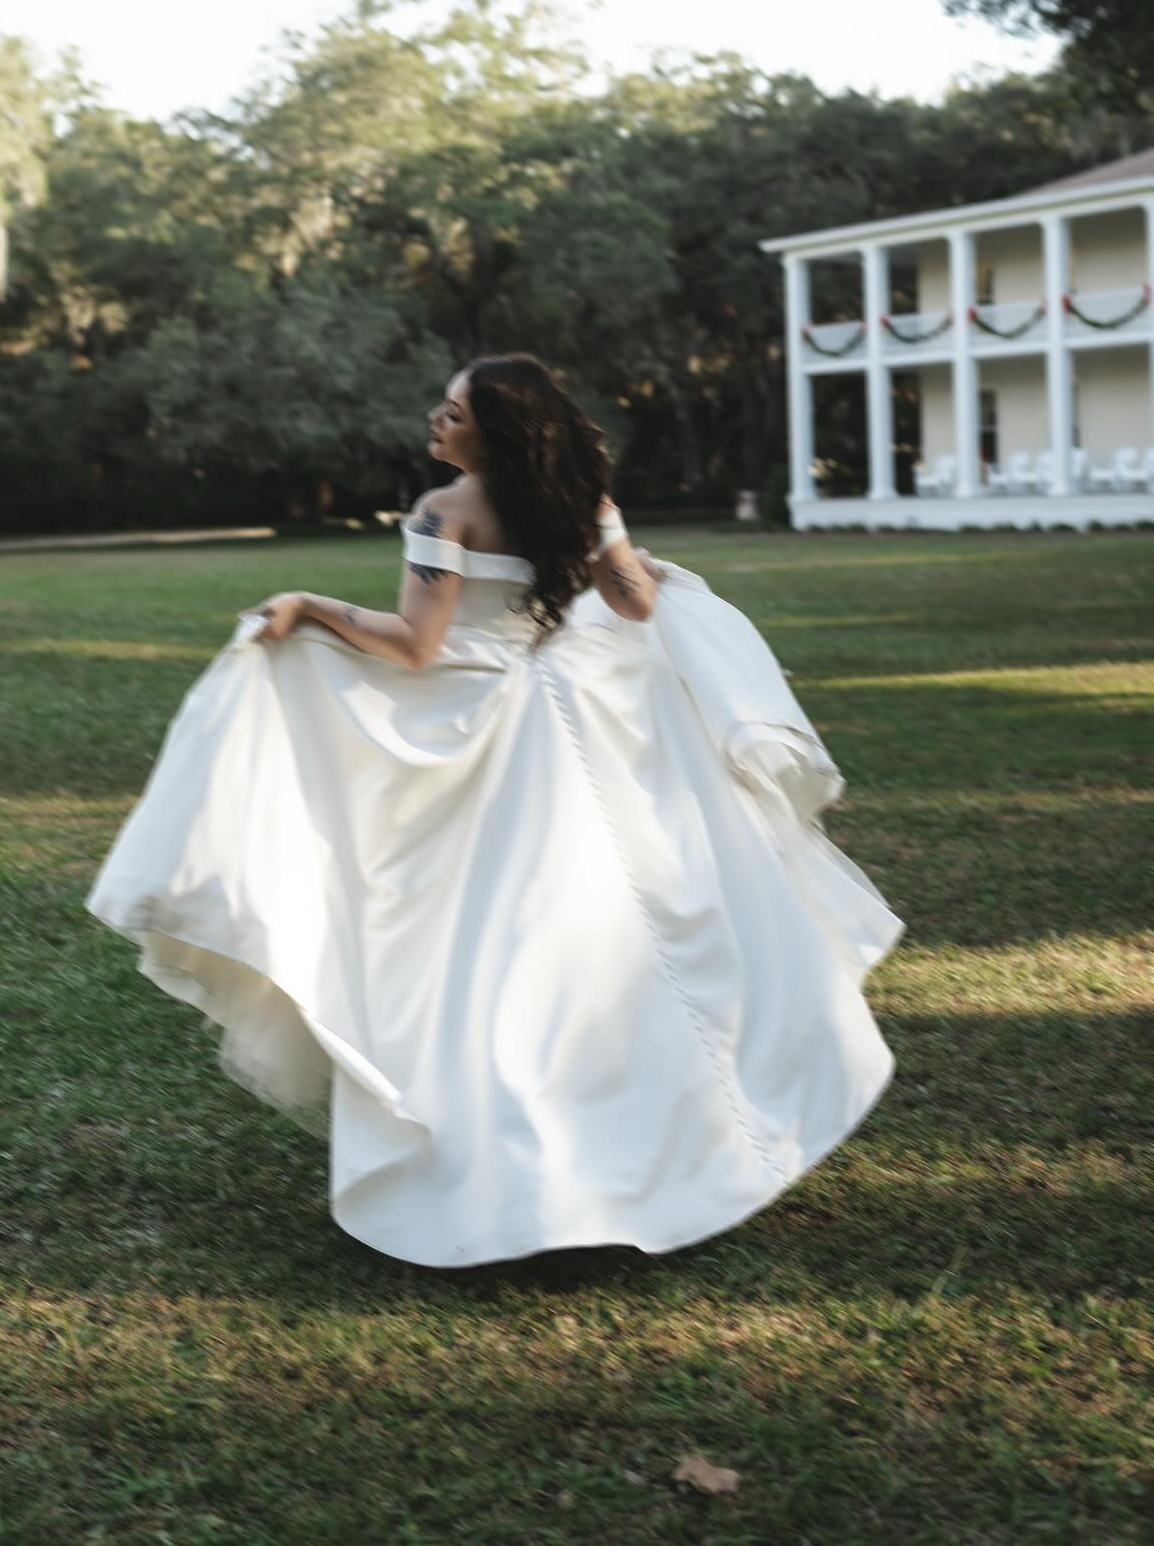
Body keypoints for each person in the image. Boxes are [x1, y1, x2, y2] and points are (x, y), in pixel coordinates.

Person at [85, 353, 904, 1268]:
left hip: (497, 722)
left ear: (495, 429)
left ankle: (525, 1177)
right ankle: (675, 1150)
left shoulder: (445, 512)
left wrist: (311, 606)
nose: (436, 422)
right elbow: (633, 602)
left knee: (498, 946)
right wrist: (618, 548)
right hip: (596, 706)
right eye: (440, 408)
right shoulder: (583, 494)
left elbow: (416, 644)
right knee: (640, 923)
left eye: (454, 412)